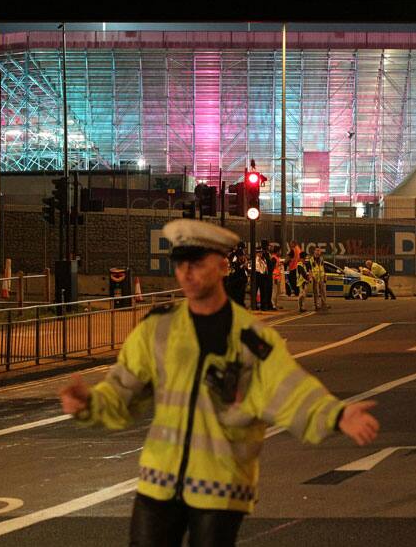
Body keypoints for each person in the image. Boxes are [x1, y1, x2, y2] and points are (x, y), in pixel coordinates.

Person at [58, 219, 379, 547]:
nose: (187, 272)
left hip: (220, 483)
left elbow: (289, 388)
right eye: (181, 264)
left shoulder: (251, 339)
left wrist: (337, 415)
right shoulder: (157, 329)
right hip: (159, 481)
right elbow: (123, 389)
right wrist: (90, 404)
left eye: (197, 263)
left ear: (223, 266)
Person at [310, 247, 330, 311]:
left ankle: (324, 304)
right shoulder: (311, 259)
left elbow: (323, 268)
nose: (318, 252)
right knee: (316, 292)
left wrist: (325, 275)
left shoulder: (321, 259)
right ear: (314, 251)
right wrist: (311, 277)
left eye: (319, 251)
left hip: (321, 277)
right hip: (315, 278)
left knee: (323, 291)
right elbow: (310, 269)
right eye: (317, 250)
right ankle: (316, 305)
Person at [270, 244, 283, 310]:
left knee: (277, 292)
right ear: (277, 251)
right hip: (275, 278)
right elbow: (272, 269)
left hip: (278, 277)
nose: (281, 252)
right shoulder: (274, 258)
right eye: (280, 251)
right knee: (274, 292)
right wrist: (274, 278)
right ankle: (273, 305)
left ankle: (275, 304)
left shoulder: (276, 258)